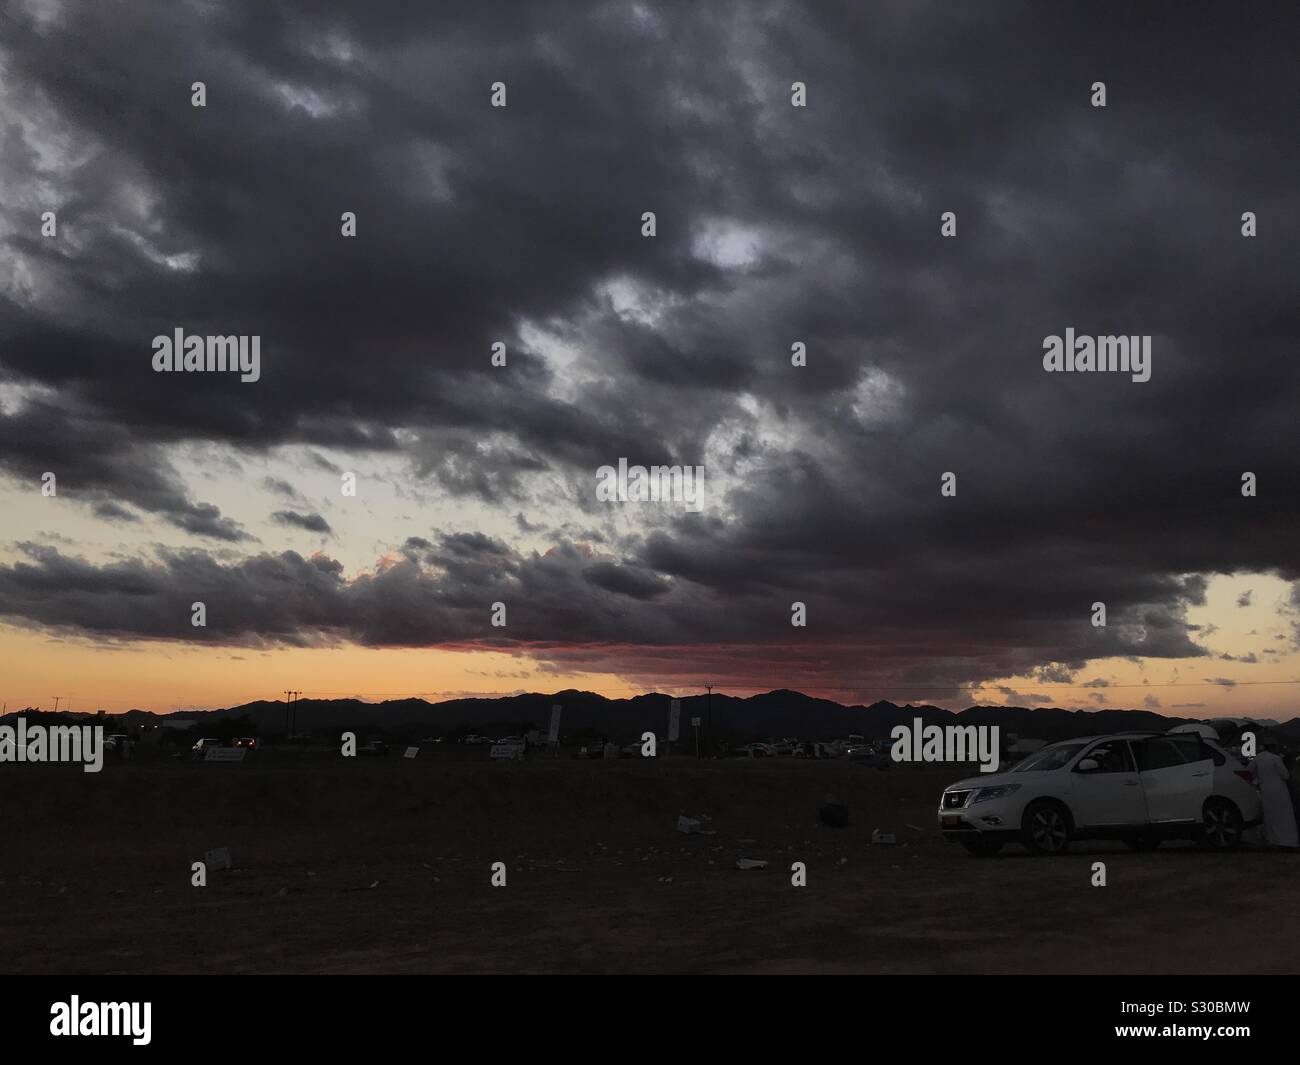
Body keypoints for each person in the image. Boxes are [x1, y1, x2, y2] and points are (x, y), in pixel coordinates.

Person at [1256, 742, 1299, 849]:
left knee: (1270, 815)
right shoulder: (1276, 758)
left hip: (1265, 790)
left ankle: (1272, 839)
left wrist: (1257, 780)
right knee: (1284, 816)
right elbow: (1285, 775)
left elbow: (1248, 770)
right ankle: (1287, 841)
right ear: (1272, 748)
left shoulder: (1258, 758)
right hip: (1279, 790)